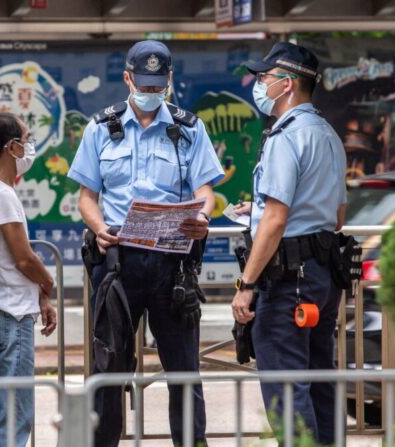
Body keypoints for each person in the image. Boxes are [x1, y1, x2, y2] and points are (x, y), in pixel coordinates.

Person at [68, 40, 225, 447]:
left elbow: (205, 189)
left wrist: (203, 217)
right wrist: (99, 226)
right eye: (145, 85)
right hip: (117, 261)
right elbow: (86, 196)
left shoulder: (189, 128)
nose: (152, 93)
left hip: (172, 261)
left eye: (159, 86)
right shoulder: (101, 127)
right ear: (127, 79)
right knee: (108, 368)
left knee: (184, 371)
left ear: (169, 81)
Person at [231, 42, 347, 444]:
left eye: (264, 78)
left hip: (287, 283)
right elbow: (336, 217)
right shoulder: (328, 134)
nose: (259, 84)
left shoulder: (285, 136)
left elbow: (277, 219)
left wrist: (246, 286)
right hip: (322, 276)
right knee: (318, 378)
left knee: (285, 382)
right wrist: (261, 210)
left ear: (287, 84)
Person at [0, 112, 57, 446]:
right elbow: (24, 258)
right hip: (10, 315)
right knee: (12, 419)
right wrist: (49, 284)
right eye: (27, 139)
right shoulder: (2, 195)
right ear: (12, 148)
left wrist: (40, 298)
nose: (31, 146)